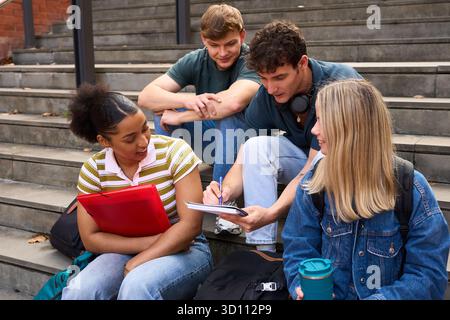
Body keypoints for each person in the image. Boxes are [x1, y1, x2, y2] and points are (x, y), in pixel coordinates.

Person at [283, 79, 450, 300]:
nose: (314, 129)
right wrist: (300, 286)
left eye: (323, 120)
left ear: (349, 130)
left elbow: (428, 276)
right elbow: (298, 248)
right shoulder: (315, 184)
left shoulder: (411, 188)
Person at [203, 21, 362, 252]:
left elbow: (312, 167)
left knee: (320, 160)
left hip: (350, 166)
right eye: (263, 79)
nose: (270, 88)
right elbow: (242, 160)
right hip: (309, 160)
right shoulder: (266, 95)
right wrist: (224, 194)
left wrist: (271, 213)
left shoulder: (339, 84)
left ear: (303, 63)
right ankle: (263, 254)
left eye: (279, 77)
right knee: (255, 147)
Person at [62, 84, 213, 300]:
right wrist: (147, 246)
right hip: (123, 248)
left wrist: (141, 259)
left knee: (137, 287)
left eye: (144, 128)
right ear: (104, 141)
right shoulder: (93, 170)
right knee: (79, 291)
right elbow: (91, 239)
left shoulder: (174, 152)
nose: (143, 141)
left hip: (187, 249)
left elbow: (190, 226)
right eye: (129, 138)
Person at [138, 4, 261, 184]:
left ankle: (222, 197)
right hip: (214, 143)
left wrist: (182, 117)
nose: (223, 52)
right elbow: (146, 97)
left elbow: (232, 103)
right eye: (214, 45)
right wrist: (188, 100)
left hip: (250, 146)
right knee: (162, 113)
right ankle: (172, 188)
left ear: (242, 35)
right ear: (204, 39)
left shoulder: (253, 60)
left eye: (230, 44)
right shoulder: (197, 59)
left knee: (229, 118)